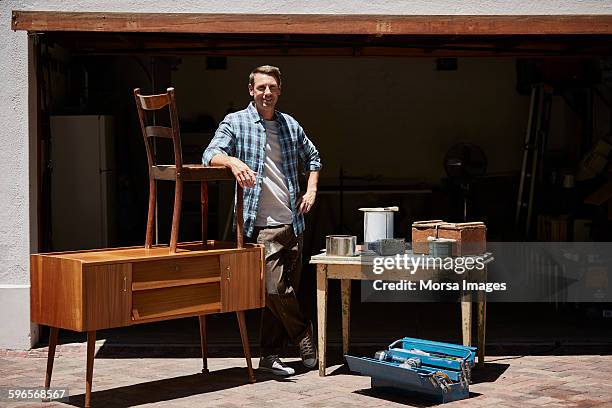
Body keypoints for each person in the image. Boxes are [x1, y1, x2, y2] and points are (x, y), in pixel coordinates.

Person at [202, 65, 322, 376]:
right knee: (272, 289)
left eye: (271, 87)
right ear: (250, 91)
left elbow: (314, 157)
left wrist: (311, 190)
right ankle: (303, 335)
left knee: (281, 296)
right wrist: (232, 160)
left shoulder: (289, 125)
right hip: (262, 226)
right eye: (260, 88)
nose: (266, 93)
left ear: (279, 90)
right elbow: (209, 153)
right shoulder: (236, 122)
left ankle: (270, 357)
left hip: (293, 224)